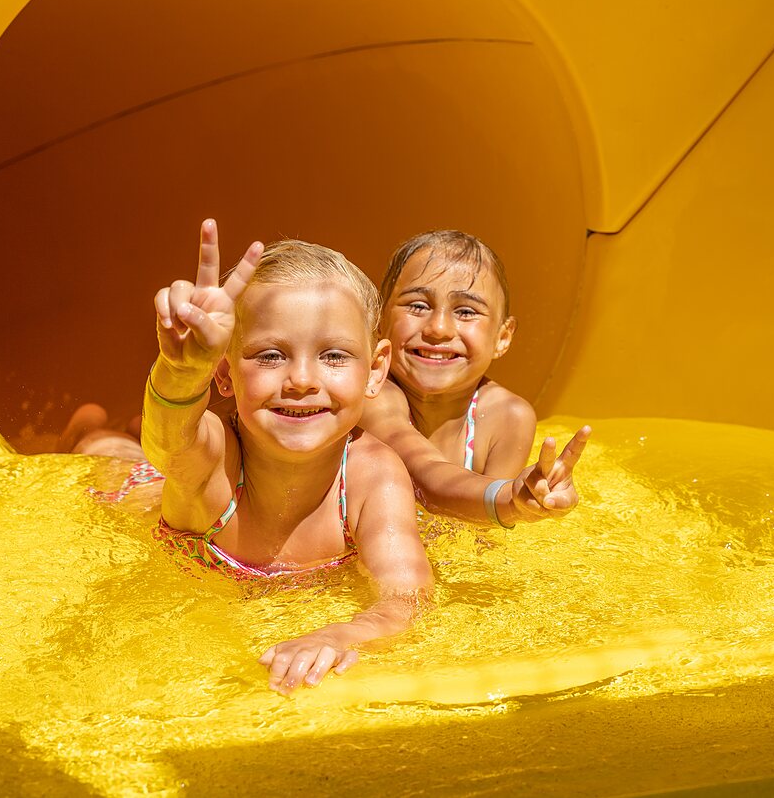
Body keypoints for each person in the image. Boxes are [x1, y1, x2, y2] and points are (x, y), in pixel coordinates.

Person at [80, 219, 433, 696]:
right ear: (225, 374)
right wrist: (182, 372)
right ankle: (89, 429)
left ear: (375, 370)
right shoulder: (216, 459)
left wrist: (341, 634)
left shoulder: (373, 474)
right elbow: (167, 444)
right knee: (109, 454)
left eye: (333, 356)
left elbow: (406, 599)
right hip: (144, 488)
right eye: (270, 355)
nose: (302, 380)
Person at [361, 230, 591, 529]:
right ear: (380, 321)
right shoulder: (372, 394)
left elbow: (485, 532)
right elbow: (428, 481)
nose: (438, 328)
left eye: (466, 311)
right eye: (417, 305)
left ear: (502, 337)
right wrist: (509, 499)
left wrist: (527, 500)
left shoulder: (508, 417)